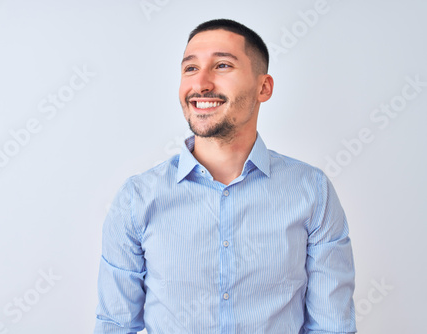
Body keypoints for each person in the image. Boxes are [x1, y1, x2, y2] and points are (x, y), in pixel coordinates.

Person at [94, 18, 356, 334]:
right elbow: (115, 326)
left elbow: (332, 327)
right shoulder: (136, 198)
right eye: (190, 69)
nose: (201, 83)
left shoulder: (312, 191)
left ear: (264, 87)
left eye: (221, 66)